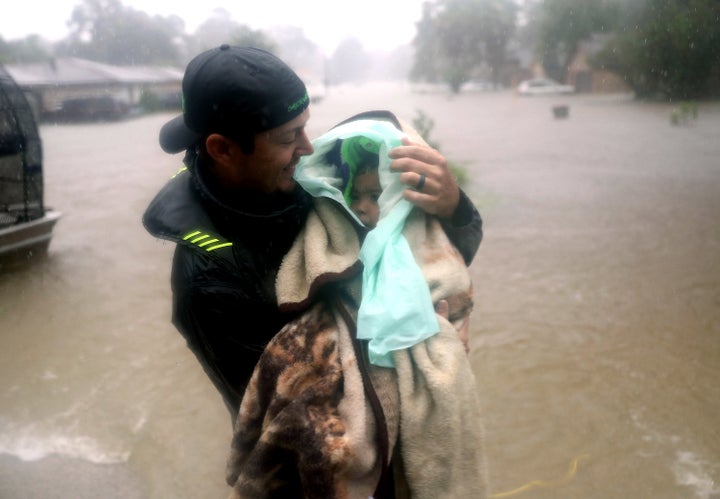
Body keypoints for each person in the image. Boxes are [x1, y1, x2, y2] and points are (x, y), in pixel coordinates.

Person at [142, 45, 483, 421]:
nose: (307, 148)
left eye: (306, 127)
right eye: (289, 138)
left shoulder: (312, 176)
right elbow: (293, 415)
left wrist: (453, 207)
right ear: (222, 148)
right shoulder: (208, 282)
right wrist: (432, 355)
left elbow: (424, 255)